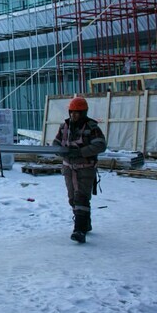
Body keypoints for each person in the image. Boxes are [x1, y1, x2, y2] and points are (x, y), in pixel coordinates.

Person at [52, 96, 107, 244]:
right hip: (69, 169)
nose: (73, 115)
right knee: (72, 199)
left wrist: (81, 152)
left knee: (81, 198)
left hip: (85, 169)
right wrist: (60, 151)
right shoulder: (64, 127)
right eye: (71, 112)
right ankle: (85, 223)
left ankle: (79, 230)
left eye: (77, 112)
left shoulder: (91, 127)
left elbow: (100, 145)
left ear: (83, 113)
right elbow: (56, 144)